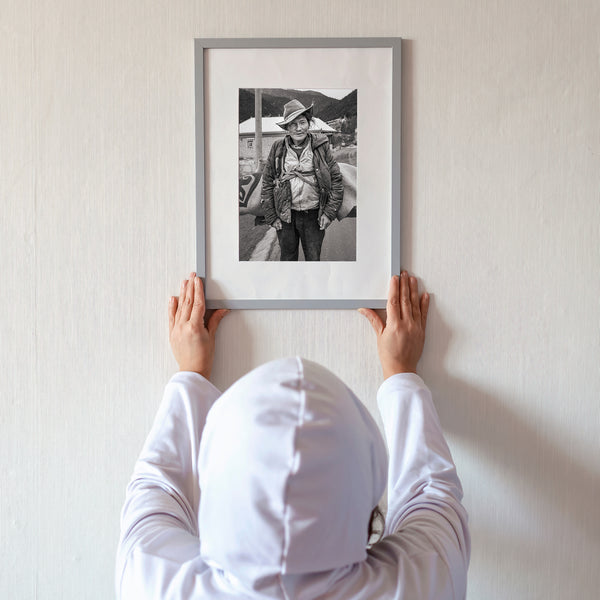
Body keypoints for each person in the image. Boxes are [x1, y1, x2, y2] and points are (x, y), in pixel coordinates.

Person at [116, 272, 470, 599]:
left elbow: (155, 489)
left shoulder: (154, 581)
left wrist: (191, 376)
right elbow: (432, 495)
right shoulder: (420, 584)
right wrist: (401, 373)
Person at [261, 99, 344, 261]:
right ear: (286, 127)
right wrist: (272, 217)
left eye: (302, 122)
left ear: (308, 123)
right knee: (287, 260)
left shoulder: (321, 146)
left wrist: (328, 213)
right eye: (293, 124)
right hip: (286, 217)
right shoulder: (278, 148)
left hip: (313, 216)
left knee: (313, 260)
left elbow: (336, 180)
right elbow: (267, 182)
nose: (299, 128)